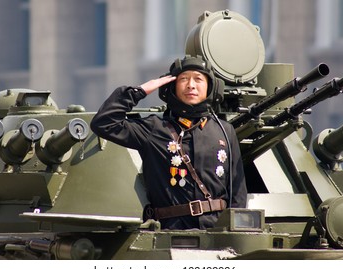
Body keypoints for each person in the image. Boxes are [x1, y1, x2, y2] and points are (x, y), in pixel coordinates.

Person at [91, 55, 247, 230]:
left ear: (211, 87)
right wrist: (139, 91)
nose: (191, 85)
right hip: (171, 231)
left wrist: (235, 232)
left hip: (217, 230)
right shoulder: (154, 128)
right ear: (171, 86)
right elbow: (104, 123)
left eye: (198, 79)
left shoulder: (224, 130)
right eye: (184, 79)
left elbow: (237, 191)